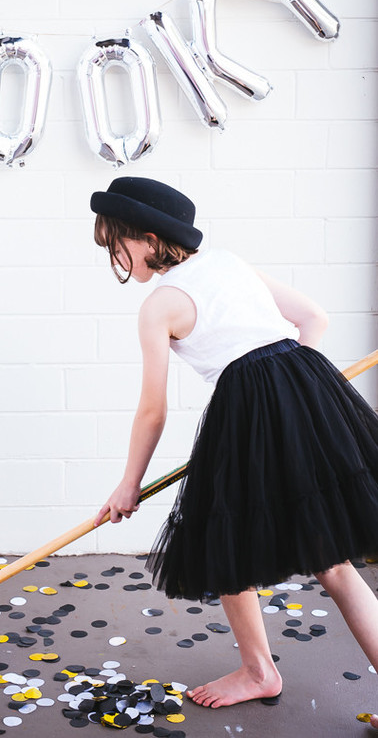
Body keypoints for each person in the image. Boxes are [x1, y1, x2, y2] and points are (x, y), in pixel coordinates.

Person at [90, 176, 378, 710]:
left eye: (117, 244)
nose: (115, 256)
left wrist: (129, 483)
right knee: (334, 559)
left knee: (226, 538)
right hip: (309, 388)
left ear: (149, 240)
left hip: (246, 409)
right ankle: (259, 670)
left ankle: (259, 670)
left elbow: (153, 408)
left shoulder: (161, 305)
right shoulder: (228, 262)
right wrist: (297, 393)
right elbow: (313, 317)